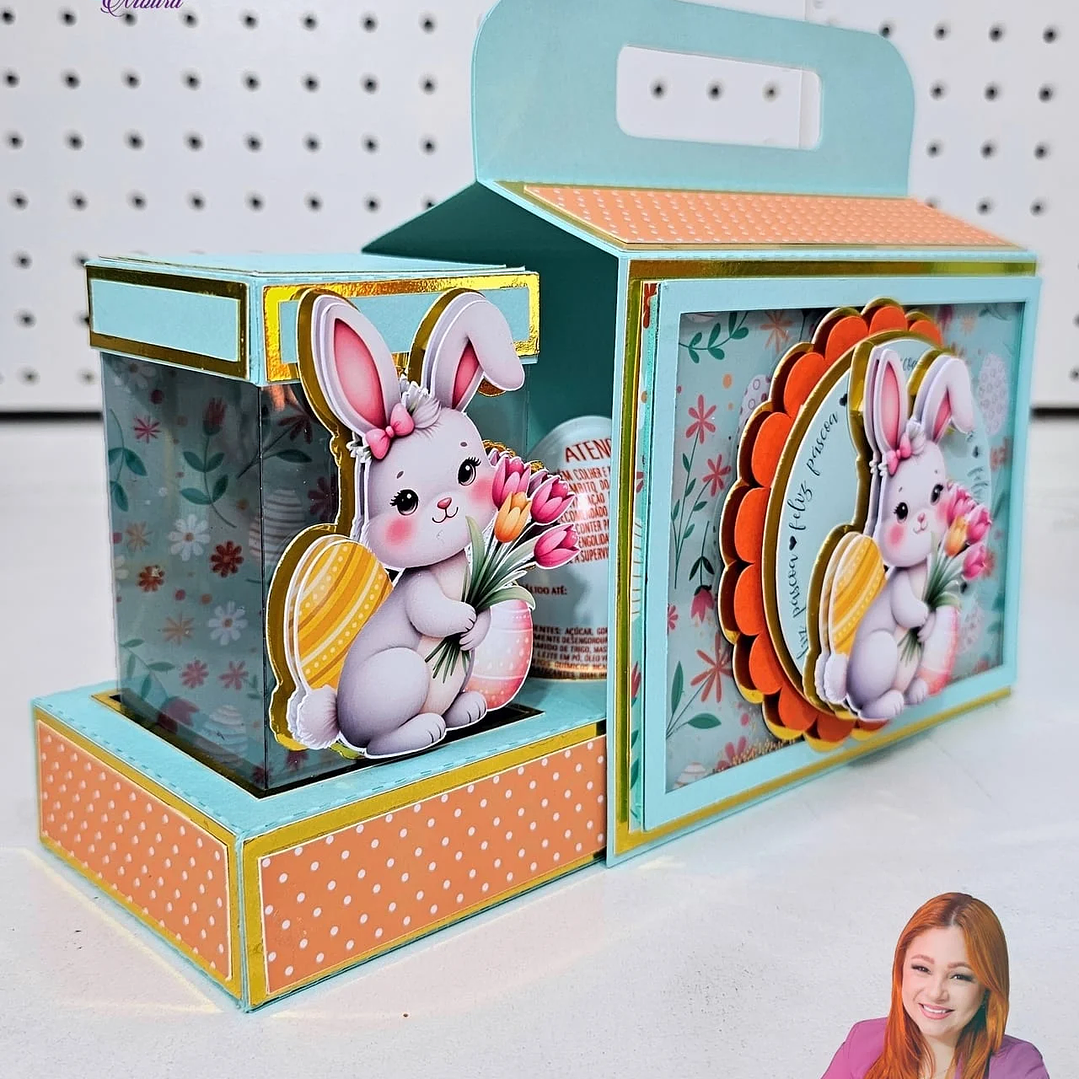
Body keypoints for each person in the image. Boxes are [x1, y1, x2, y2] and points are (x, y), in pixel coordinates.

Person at [822, 893, 1049, 1078]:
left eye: (959, 976)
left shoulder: (1018, 1068)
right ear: (900, 970)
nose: (935, 992)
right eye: (922, 969)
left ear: (987, 988)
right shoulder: (862, 1043)